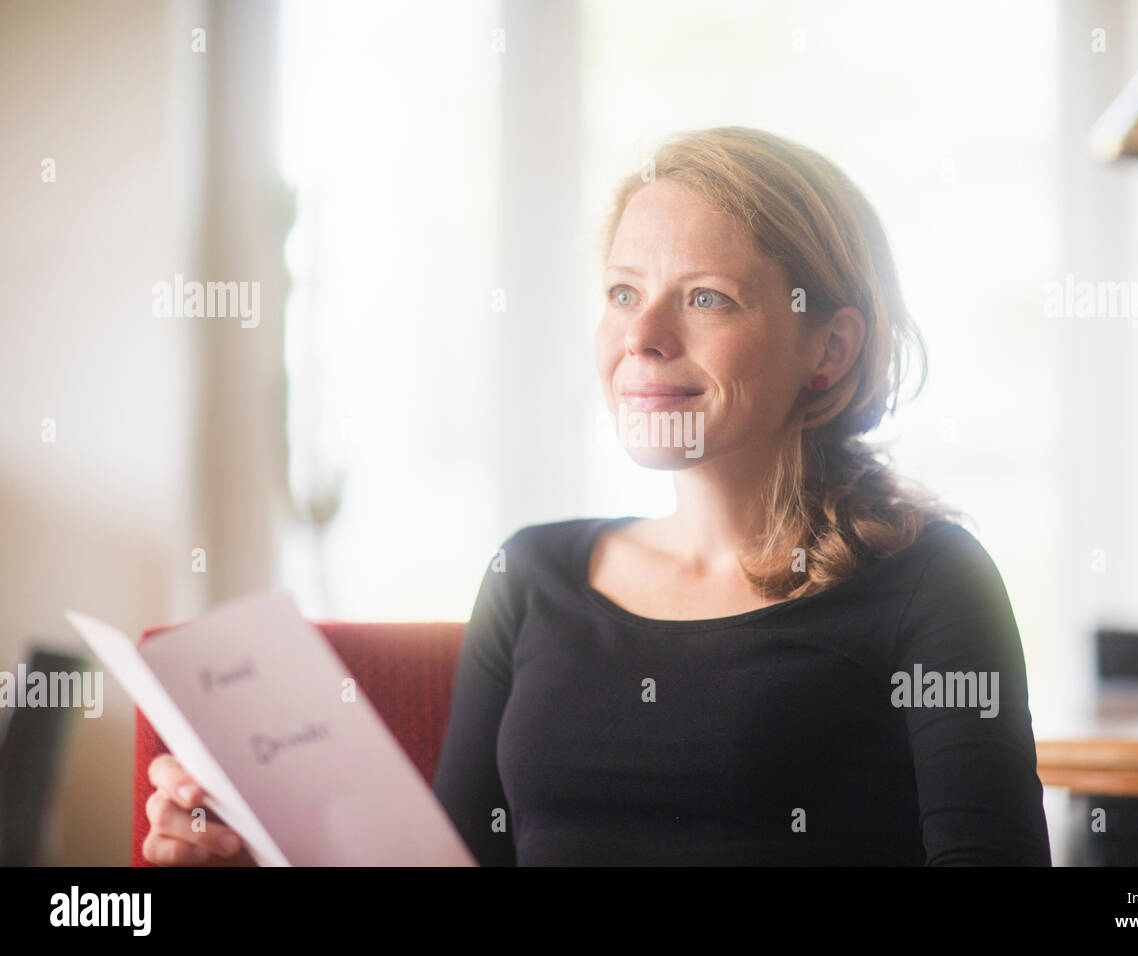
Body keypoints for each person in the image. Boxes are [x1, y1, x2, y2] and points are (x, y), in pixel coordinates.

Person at [144, 126, 1051, 866]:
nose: (642, 337)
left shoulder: (930, 582)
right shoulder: (532, 572)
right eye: (624, 291)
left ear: (831, 351)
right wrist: (249, 859)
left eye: (707, 298)